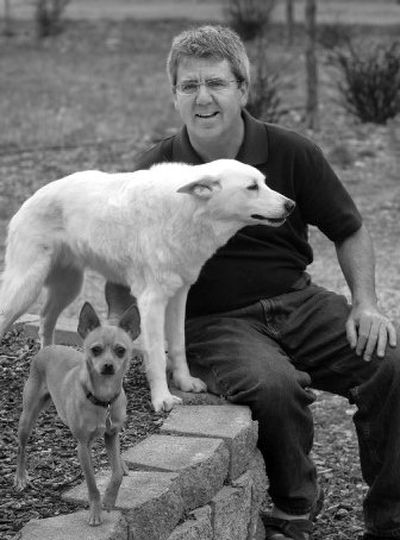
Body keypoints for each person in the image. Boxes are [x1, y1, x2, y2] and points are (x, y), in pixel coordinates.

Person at [106, 25, 400, 540]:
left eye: (216, 83)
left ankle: (391, 514)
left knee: (393, 363)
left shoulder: (291, 151)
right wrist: (120, 331)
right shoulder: (155, 170)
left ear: (243, 88)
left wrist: (367, 303)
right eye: (189, 85)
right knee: (272, 385)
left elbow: (349, 230)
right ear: (174, 95)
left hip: (298, 300)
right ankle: (296, 503)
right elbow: (117, 261)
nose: (203, 97)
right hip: (212, 322)